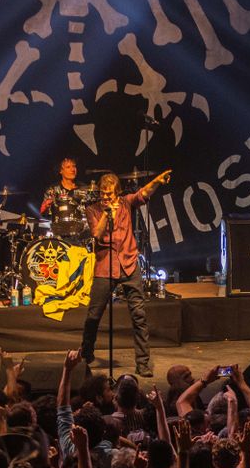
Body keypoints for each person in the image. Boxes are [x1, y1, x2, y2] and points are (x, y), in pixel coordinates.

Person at [79, 169, 171, 378]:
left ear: (117, 193)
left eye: (110, 194)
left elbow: (143, 194)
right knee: (94, 316)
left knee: (139, 316)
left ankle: (143, 363)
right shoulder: (93, 210)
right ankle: (86, 354)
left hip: (129, 264)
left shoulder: (126, 203)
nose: (106, 197)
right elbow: (97, 234)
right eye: (103, 193)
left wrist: (156, 180)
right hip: (105, 267)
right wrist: (106, 213)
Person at [39, 156, 89, 240]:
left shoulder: (84, 188)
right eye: (68, 167)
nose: (73, 169)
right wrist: (45, 207)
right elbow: (44, 213)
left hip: (82, 232)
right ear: (60, 171)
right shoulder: (53, 190)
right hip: (59, 232)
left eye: (74, 166)